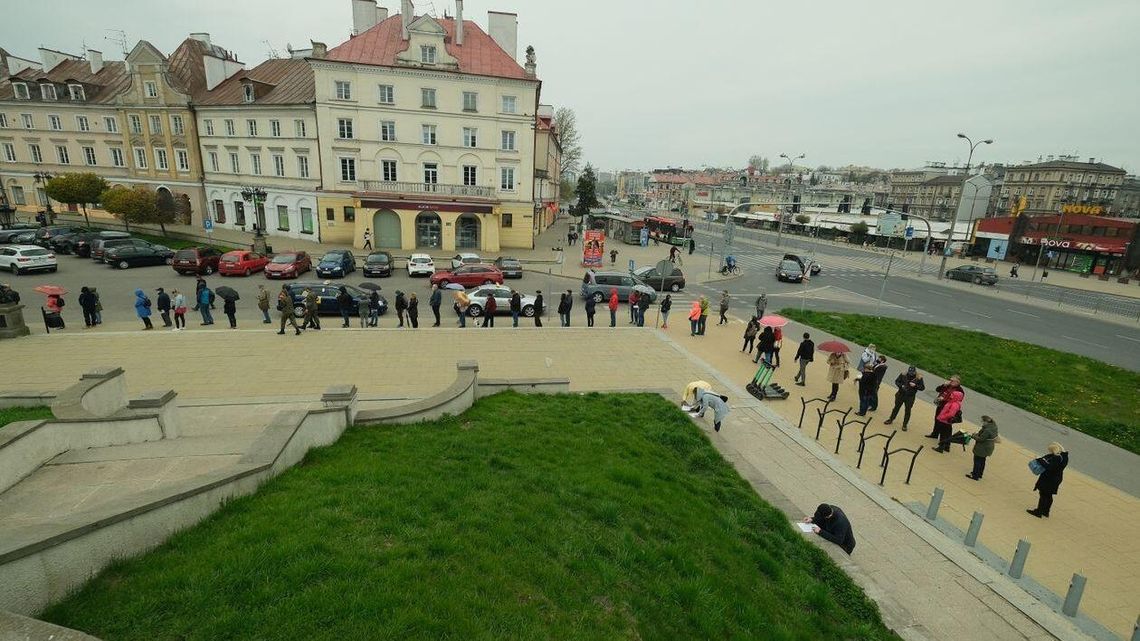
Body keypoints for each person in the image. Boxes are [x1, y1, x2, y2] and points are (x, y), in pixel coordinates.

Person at [1028, 442, 1068, 518]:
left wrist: (1039, 459)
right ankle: (1046, 511)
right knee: (1049, 495)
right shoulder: (1064, 456)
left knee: (1043, 494)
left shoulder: (1056, 458)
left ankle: (1039, 511)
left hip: (1049, 479)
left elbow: (1049, 467)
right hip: (1056, 478)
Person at [966, 416, 999, 481]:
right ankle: (979, 474)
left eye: (982, 421)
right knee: (982, 460)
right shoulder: (994, 426)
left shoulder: (987, 430)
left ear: (986, 422)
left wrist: (973, 436)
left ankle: (975, 475)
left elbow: (981, 439)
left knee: (977, 461)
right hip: (989, 447)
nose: (982, 423)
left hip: (982, 447)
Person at [932, 389, 964, 453]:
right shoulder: (953, 402)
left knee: (943, 435)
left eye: (953, 395)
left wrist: (941, 417)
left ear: (956, 396)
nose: (951, 395)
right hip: (946, 421)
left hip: (945, 421)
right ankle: (946, 447)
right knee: (947, 434)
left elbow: (951, 414)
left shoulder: (954, 404)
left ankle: (941, 447)